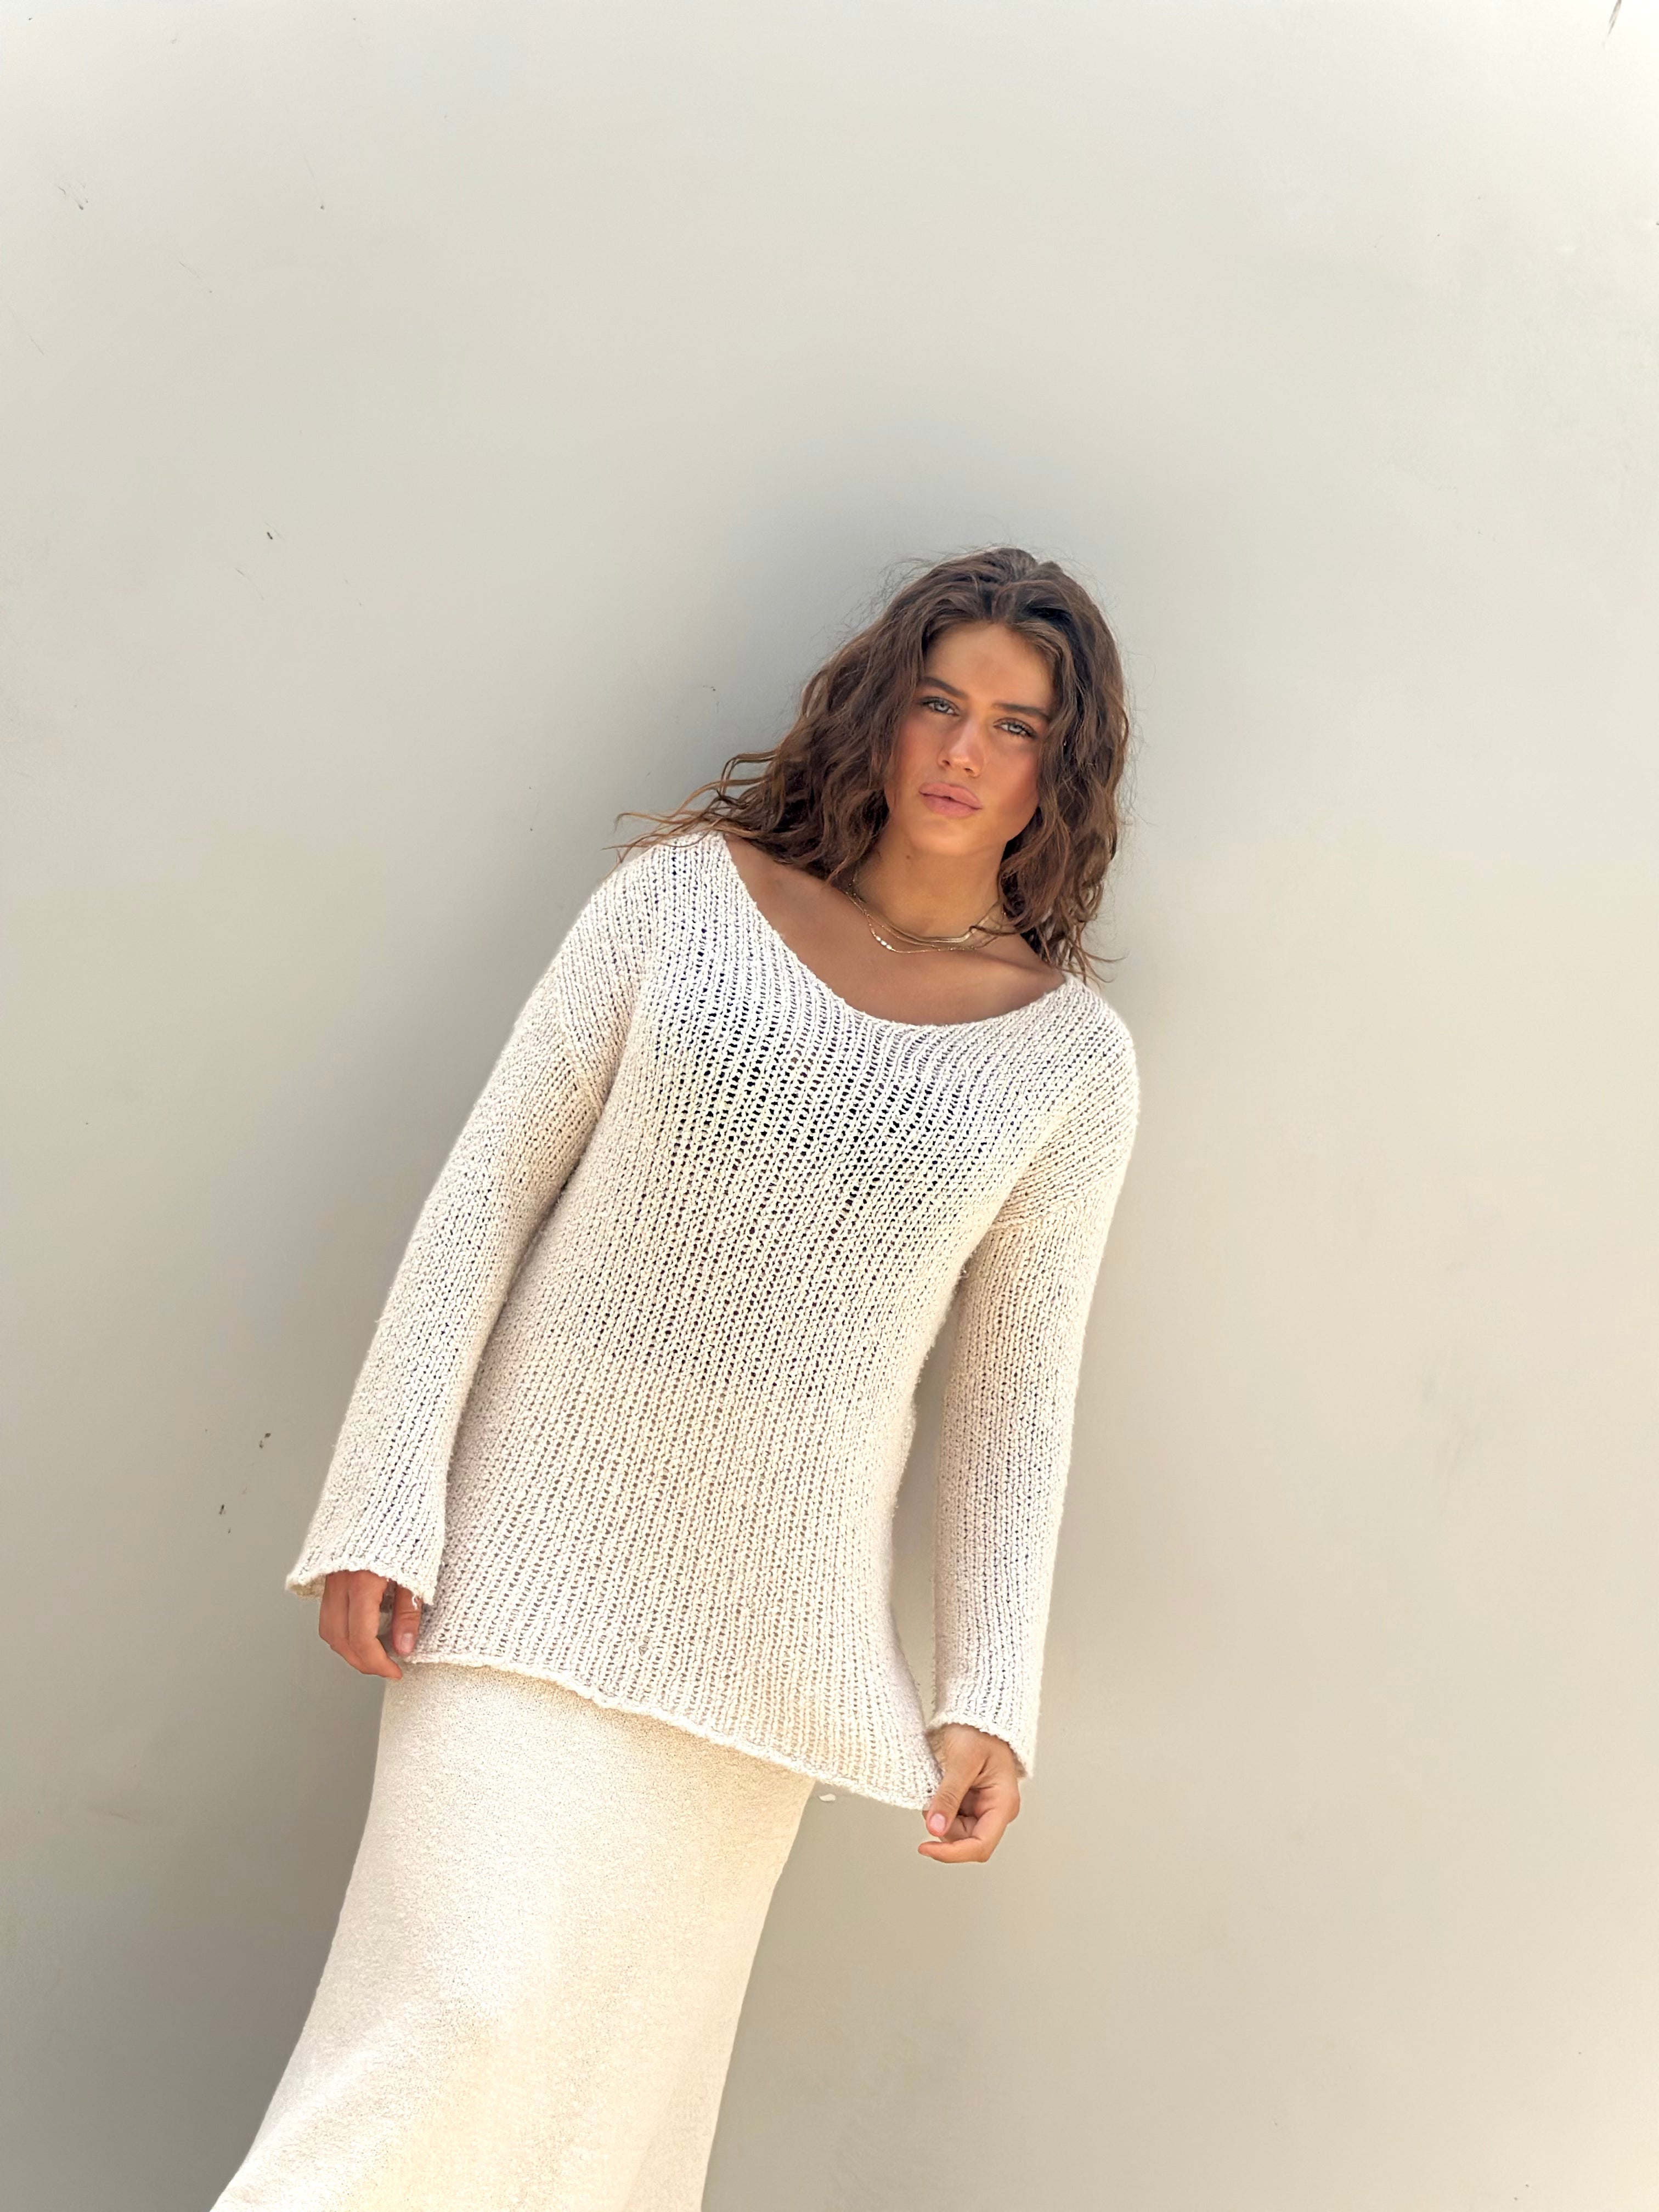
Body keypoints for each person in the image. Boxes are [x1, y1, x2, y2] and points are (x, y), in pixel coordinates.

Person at [212, 545, 1142, 2211]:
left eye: (1014, 727)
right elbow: (487, 1198)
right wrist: (379, 1504)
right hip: (517, 1572)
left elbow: (1016, 1402)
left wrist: (987, 1691)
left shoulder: (1070, 1062)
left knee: (603, 2120)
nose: (961, 751)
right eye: (938, 703)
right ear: (881, 708)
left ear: (1058, 774)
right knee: (451, 2022)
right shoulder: (681, 902)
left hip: (768, 1646)